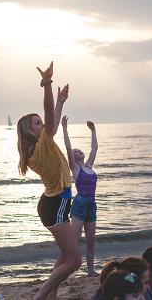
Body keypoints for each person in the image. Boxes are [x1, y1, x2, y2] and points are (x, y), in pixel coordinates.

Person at [17, 62, 81, 299]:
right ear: (29, 131)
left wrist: (61, 101)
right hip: (55, 206)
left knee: (65, 255)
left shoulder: (40, 145)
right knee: (74, 261)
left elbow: (51, 121)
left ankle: (50, 296)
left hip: (55, 204)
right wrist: (47, 86)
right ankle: (41, 295)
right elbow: (50, 118)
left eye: (41, 123)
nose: (42, 125)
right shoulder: (39, 148)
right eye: (37, 123)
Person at [62, 115, 98, 276]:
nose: (78, 151)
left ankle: (90, 270)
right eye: (76, 152)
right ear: (73, 158)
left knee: (90, 240)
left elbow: (94, 148)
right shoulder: (75, 169)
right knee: (74, 239)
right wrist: (64, 128)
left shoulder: (89, 165)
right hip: (80, 203)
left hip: (92, 204)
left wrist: (93, 130)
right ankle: (66, 267)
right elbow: (68, 148)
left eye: (79, 150)